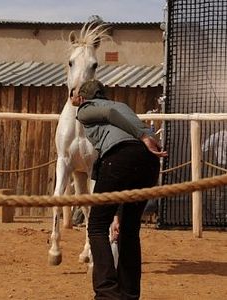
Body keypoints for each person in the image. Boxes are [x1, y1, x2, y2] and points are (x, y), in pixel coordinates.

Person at [71, 80, 167, 300]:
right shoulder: (123, 106)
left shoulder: (87, 110)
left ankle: (107, 293)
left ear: (85, 99)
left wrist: (144, 135)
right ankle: (129, 293)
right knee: (129, 229)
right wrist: (146, 137)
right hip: (147, 162)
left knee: (96, 226)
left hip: (121, 158)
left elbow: (112, 119)